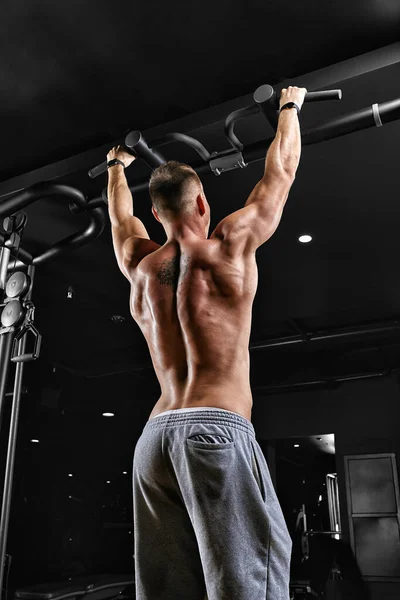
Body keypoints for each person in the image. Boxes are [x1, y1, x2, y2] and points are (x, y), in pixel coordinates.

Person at [106, 86, 307, 600]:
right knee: (250, 583)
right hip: (213, 430)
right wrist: (289, 108)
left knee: (170, 590)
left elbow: (118, 218)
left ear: (157, 215)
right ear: (201, 201)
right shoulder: (230, 246)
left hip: (154, 440)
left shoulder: (139, 264)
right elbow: (279, 175)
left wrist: (116, 166)